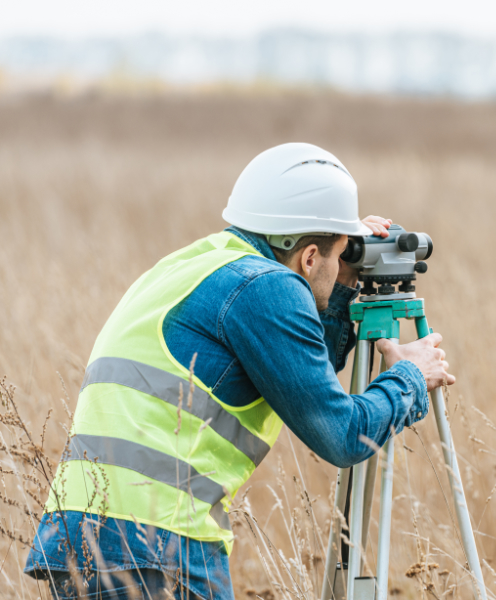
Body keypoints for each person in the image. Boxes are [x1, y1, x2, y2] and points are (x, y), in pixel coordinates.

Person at [25, 143, 454, 599]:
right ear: (310, 257)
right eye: (338, 253)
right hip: (159, 544)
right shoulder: (266, 287)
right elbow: (343, 435)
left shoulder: (197, 264)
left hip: (76, 540)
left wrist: (342, 281)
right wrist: (410, 377)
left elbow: (304, 380)